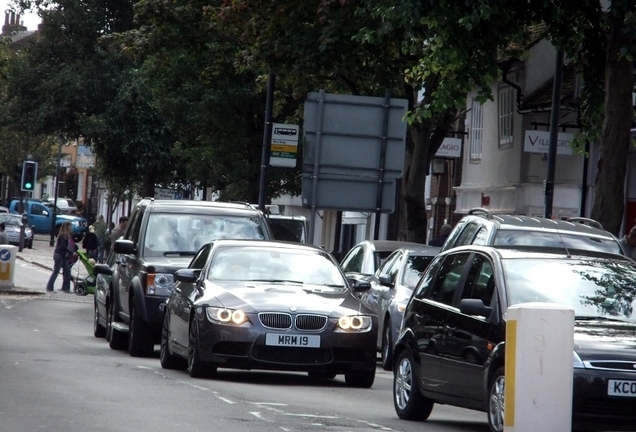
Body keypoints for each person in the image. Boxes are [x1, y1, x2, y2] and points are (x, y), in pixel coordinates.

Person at [46, 221, 76, 293]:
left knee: (67, 271)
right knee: (56, 272)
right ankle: (49, 287)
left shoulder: (66, 235)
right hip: (59, 256)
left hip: (62, 256)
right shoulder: (62, 235)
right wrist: (72, 253)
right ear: (66, 227)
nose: (70, 228)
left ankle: (65, 288)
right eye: (69, 226)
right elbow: (63, 247)